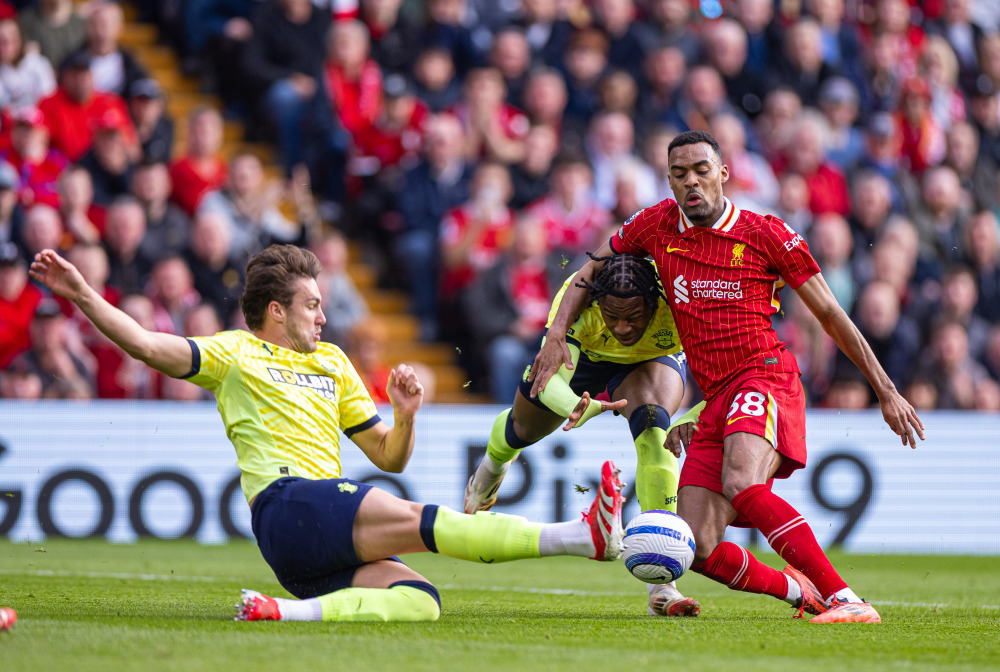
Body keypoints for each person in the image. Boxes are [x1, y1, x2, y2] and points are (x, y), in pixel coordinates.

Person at [29, 243, 627, 623]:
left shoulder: (334, 363)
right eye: (312, 304)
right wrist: (82, 293)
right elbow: (143, 343)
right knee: (429, 523)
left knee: (421, 601)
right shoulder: (235, 354)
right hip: (287, 504)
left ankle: (286, 614)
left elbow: (389, 457)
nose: (323, 314)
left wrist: (406, 414)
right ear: (276, 312)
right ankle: (578, 538)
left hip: (309, 543)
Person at [531, 130, 925, 624]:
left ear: (724, 173)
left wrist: (886, 391)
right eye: (679, 174)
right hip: (716, 397)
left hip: (764, 377)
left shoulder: (767, 233)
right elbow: (590, 270)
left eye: (700, 170)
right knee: (696, 547)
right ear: (669, 180)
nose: (690, 182)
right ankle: (799, 591)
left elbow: (831, 314)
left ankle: (847, 598)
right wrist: (555, 334)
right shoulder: (655, 225)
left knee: (741, 481)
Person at [465, 252, 699, 617]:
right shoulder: (578, 300)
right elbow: (549, 384)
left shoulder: (679, 297)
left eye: (634, 317)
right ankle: (492, 467)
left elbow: (725, 361)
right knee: (522, 429)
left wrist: (700, 411)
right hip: (585, 355)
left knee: (656, 432)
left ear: (654, 303)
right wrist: (575, 405)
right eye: (613, 317)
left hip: (651, 359)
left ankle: (662, 585)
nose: (622, 328)